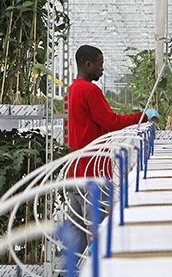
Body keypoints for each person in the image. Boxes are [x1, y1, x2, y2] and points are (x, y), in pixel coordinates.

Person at [65, 45, 158, 227]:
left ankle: (79, 257)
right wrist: (144, 116)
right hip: (93, 169)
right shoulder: (90, 91)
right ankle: (98, 255)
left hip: (75, 168)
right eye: (100, 65)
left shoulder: (71, 90)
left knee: (76, 228)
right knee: (98, 229)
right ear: (88, 64)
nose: (102, 69)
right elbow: (112, 122)